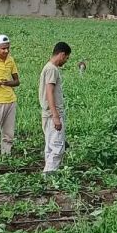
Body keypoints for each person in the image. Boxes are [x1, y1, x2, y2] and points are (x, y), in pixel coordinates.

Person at [39, 41, 71, 172]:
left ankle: (48, 173)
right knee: (57, 147)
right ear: (62, 54)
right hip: (53, 114)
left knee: (50, 147)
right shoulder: (52, 69)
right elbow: (49, 92)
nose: (66, 61)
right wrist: (56, 116)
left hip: (47, 114)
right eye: (67, 58)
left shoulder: (48, 67)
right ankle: (50, 174)